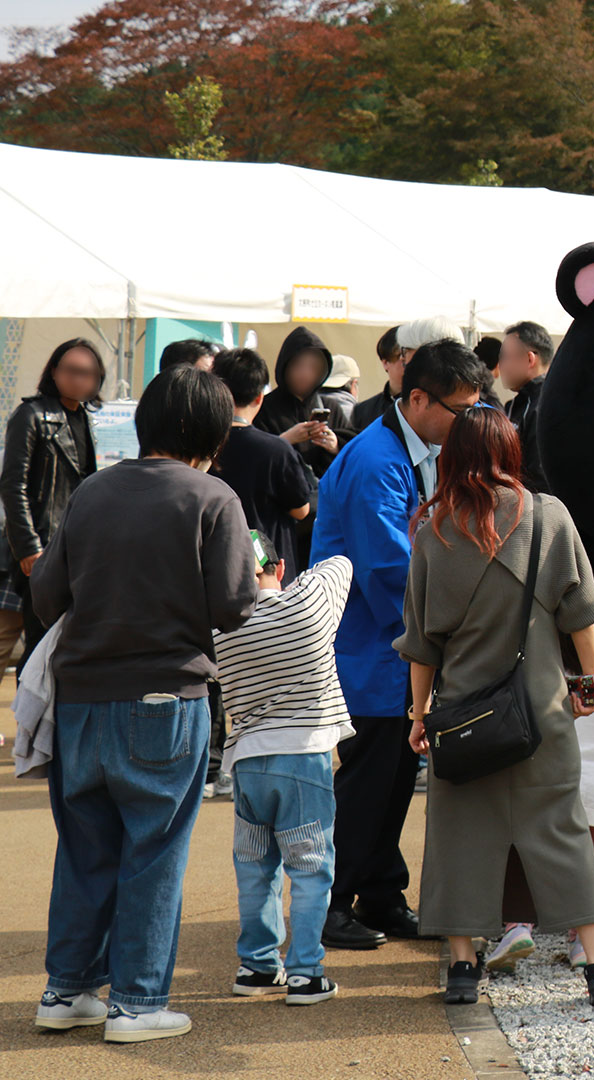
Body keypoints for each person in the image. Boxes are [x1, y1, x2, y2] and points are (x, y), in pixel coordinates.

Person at [31, 365, 256, 1044]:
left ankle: (66, 991)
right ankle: (136, 1003)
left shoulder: (94, 492)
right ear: (213, 432)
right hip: (166, 695)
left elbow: (47, 596)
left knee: (84, 850)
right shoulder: (213, 496)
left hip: (79, 699)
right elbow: (233, 604)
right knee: (154, 852)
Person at [397, 405, 594, 1006]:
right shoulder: (548, 515)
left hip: (461, 715)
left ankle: (461, 969)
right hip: (539, 708)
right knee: (561, 831)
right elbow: (584, 614)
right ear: (510, 451)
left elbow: (422, 644)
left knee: (457, 837)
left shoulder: (432, 532)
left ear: (452, 457)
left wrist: (421, 714)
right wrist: (587, 682)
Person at [310, 338, 492, 951]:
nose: (468, 423)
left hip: (393, 649)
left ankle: (382, 892)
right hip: (371, 650)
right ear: (417, 399)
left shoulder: (415, 448)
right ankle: (330, 903)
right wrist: (443, 639)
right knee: (368, 784)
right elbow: (390, 568)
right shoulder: (376, 460)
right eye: (460, 410)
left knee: (392, 781)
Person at [214, 533, 353, 1007]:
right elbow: (340, 564)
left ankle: (256, 966)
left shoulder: (220, 629)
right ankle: (306, 973)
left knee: (255, 869)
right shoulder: (307, 607)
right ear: (278, 564)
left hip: (247, 762)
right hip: (303, 758)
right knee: (311, 870)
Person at [489, 611, 594, 974]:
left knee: (528, 855)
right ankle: (581, 941)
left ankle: (518, 927)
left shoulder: (548, 678)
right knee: (589, 866)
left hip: (549, 783)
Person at [2, 338, 105, 663]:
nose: (79, 379)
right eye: (71, 371)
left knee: (60, 645)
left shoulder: (85, 420)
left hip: (74, 548)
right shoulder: (31, 415)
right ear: (55, 372)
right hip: (41, 548)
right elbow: (12, 485)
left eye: (88, 373)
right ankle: (32, 716)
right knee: (38, 646)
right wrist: (29, 547)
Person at [212, 348, 316, 579]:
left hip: (215, 565)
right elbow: (301, 510)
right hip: (267, 571)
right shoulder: (276, 450)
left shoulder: (203, 446)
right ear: (260, 397)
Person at [256, 327, 351, 478]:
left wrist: (335, 446)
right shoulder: (264, 408)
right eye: (298, 365)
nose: (305, 373)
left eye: (313, 367)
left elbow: (353, 457)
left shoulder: (332, 407)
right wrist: (286, 439)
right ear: (285, 366)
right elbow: (254, 458)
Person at [499, 321, 554, 490]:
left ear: (530, 359)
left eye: (504, 357)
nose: (500, 366)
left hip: (534, 510)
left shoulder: (543, 406)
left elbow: (539, 477)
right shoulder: (518, 403)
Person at [350, 326, 403, 434]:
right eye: (401, 356)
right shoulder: (363, 410)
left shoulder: (427, 404)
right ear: (385, 363)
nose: (409, 362)